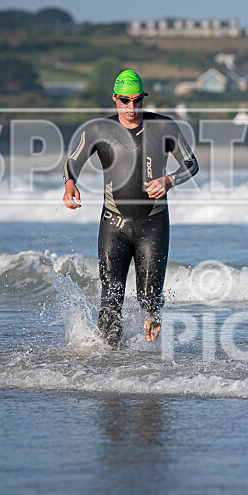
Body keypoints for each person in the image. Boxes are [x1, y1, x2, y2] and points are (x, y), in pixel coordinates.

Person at [62, 70, 199, 348]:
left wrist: (169, 180)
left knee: (150, 303)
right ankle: (110, 361)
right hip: (114, 224)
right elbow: (72, 162)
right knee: (110, 300)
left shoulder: (164, 126)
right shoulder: (98, 129)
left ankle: (145, 358)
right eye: (125, 100)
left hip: (153, 224)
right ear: (115, 98)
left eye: (138, 100)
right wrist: (69, 184)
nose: (131, 107)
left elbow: (191, 164)